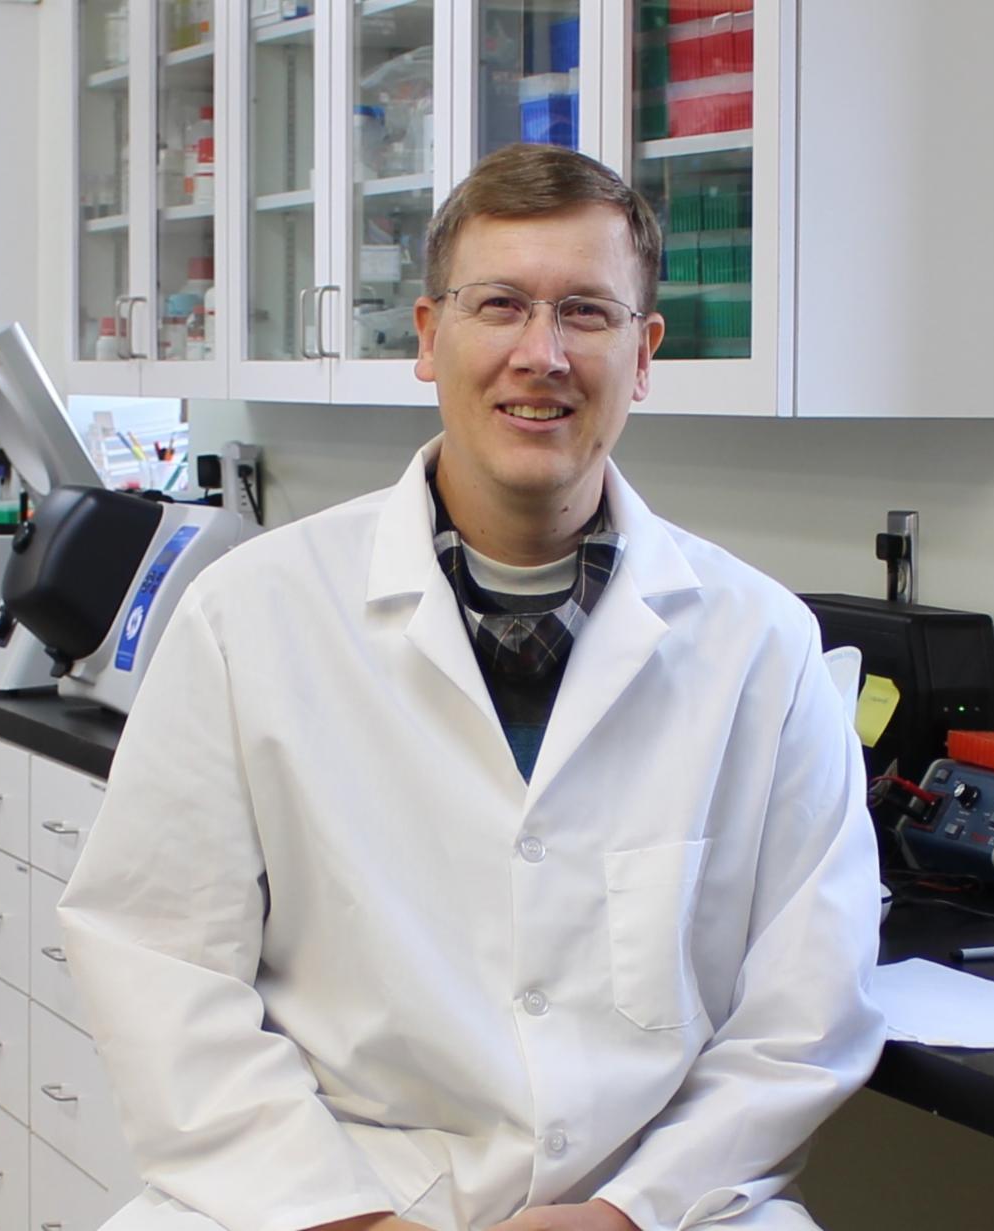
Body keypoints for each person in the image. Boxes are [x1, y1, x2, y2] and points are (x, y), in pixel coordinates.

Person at [59, 143, 885, 1231]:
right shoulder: (248, 616)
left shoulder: (762, 647)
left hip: (652, 1204)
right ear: (428, 337)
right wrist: (346, 1216)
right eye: (500, 305)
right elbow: (159, 962)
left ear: (644, 355)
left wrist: (625, 1212)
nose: (540, 354)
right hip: (324, 1186)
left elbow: (804, 1014)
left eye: (587, 313)